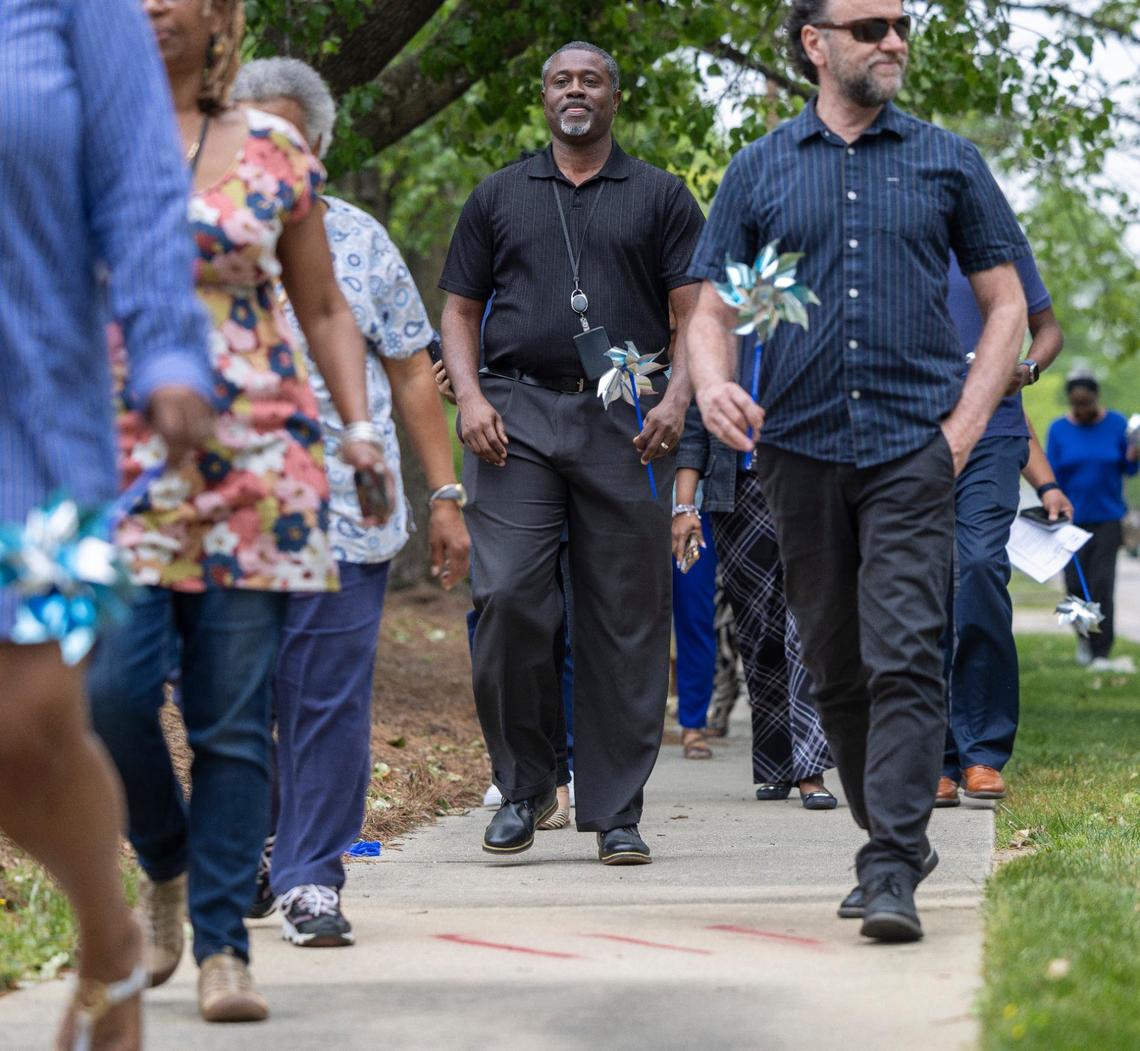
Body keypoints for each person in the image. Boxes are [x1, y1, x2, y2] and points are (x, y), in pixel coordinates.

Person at [687, 0, 1031, 941]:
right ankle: (892, 831)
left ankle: (888, 866)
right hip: (796, 452)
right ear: (815, 43)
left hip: (912, 449)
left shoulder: (947, 162)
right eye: (871, 25)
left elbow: (1007, 307)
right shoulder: (761, 171)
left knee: (907, 651)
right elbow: (714, 311)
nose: (893, 41)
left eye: (901, 24)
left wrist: (963, 429)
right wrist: (714, 387)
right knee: (835, 666)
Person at [89, 0, 390, 1023]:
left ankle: (224, 946)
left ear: (223, 17)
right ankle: (165, 860)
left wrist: (360, 434)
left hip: (259, 468)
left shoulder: (272, 148)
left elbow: (320, 307)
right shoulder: (79, 136)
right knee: (112, 694)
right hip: (113, 466)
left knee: (230, 720)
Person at [0, 2, 214, 1046]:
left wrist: (170, 348)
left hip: (31, 412)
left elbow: (138, 179)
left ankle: (107, 937)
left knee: (28, 716)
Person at [439, 41, 704, 864]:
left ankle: (616, 807)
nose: (576, 90)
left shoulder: (661, 195)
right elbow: (456, 312)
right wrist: (473, 397)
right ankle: (526, 786)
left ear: (614, 98)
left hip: (624, 419)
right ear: (544, 96)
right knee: (511, 595)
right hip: (513, 411)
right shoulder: (499, 195)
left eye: (591, 79)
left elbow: (696, 316)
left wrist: (677, 399)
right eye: (561, 79)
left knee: (623, 616)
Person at [230, 57, 470, 949]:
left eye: (288, 134)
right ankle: (255, 842)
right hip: (223, 510)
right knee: (234, 696)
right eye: (250, 129)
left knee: (326, 698)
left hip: (343, 508)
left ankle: (309, 879)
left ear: (321, 147)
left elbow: (412, 368)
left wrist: (445, 493)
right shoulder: (190, 232)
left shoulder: (359, 241)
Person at [938, 249, 1064, 807]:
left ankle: (982, 751)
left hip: (994, 436)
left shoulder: (998, 252)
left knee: (981, 568)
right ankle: (932, 756)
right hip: (914, 436)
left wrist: (1030, 368)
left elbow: (1048, 329)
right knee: (925, 588)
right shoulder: (889, 240)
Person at [673, 396, 836, 806]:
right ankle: (776, 763)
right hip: (737, 494)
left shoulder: (808, 335)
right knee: (758, 629)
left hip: (809, 487)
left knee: (803, 625)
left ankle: (810, 766)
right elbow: (695, 430)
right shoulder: (720, 342)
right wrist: (685, 504)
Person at [1047, 372, 1140, 671]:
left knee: (1102, 584)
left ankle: (1102, 650)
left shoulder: (1116, 424)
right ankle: (1084, 639)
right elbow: (1051, 474)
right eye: (1076, 404)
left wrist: (1134, 452)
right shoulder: (1058, 429)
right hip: (1069, 520)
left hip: (1108, 518)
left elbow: (1129, 468)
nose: (1082, 410)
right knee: (1074, 585)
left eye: (1086, 403)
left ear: (1096, 398)